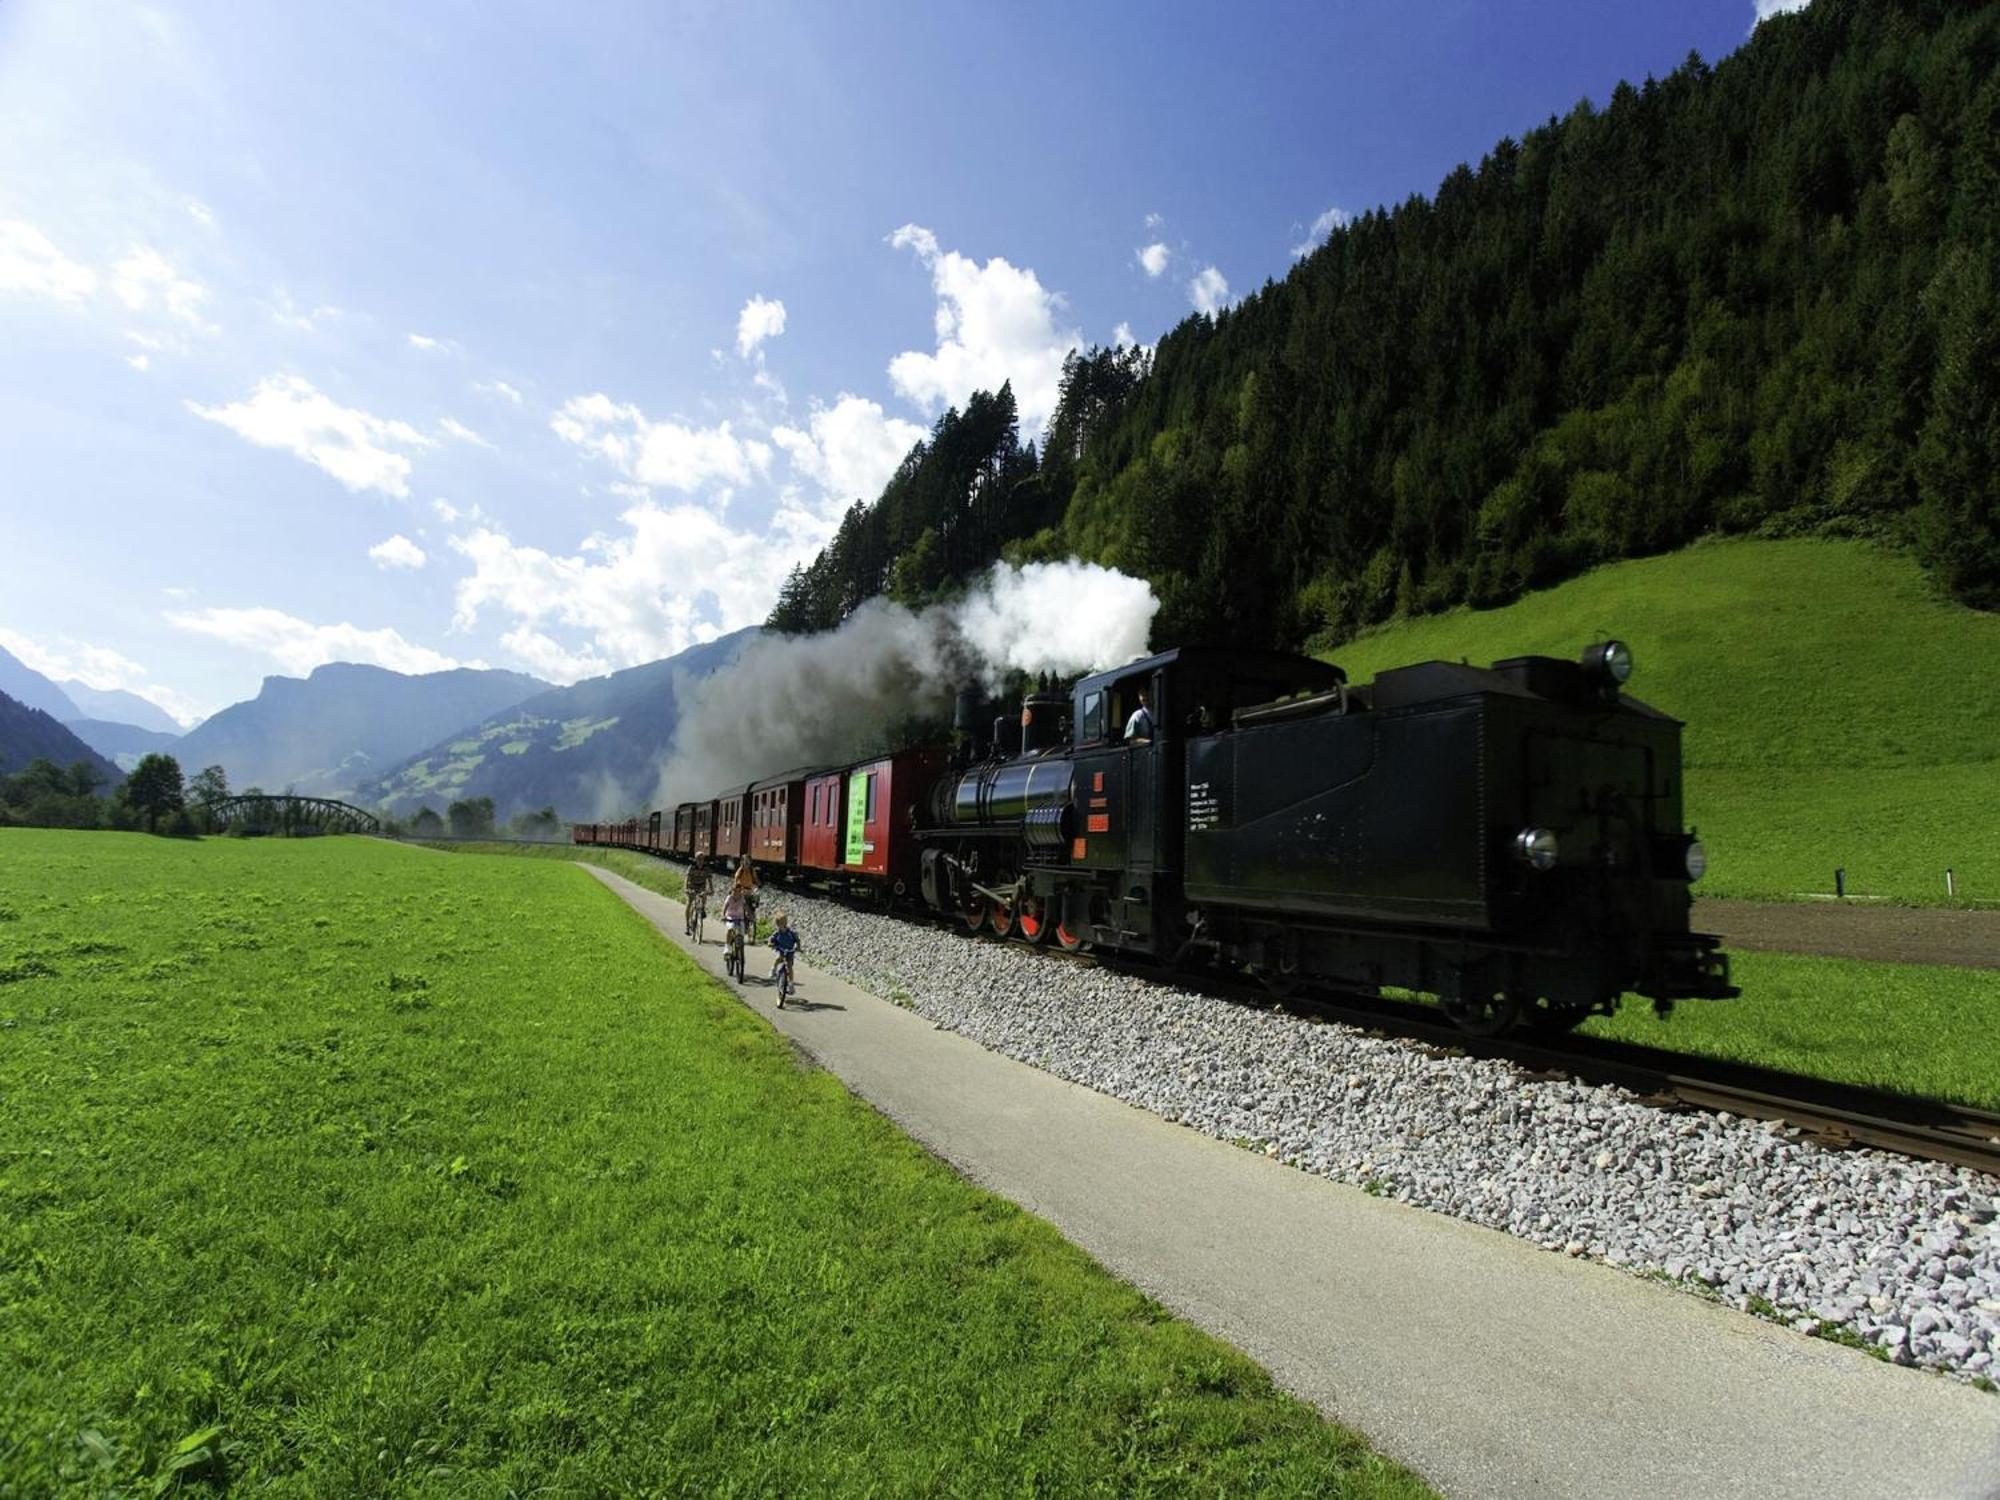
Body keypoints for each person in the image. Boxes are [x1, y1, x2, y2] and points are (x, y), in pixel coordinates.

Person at [769, 912, 802, 993]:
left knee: (789, 966)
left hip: (790, 951)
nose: (781, 926)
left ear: (786, 923)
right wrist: (770, 944)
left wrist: (798, 947)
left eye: (783, 924)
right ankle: (773, 969)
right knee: (778, 958)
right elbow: (771, 939)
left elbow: (797, 940)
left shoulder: (791, 933)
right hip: (780, 949)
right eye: (779, 924)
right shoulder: (777, 933)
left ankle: (791, 983)